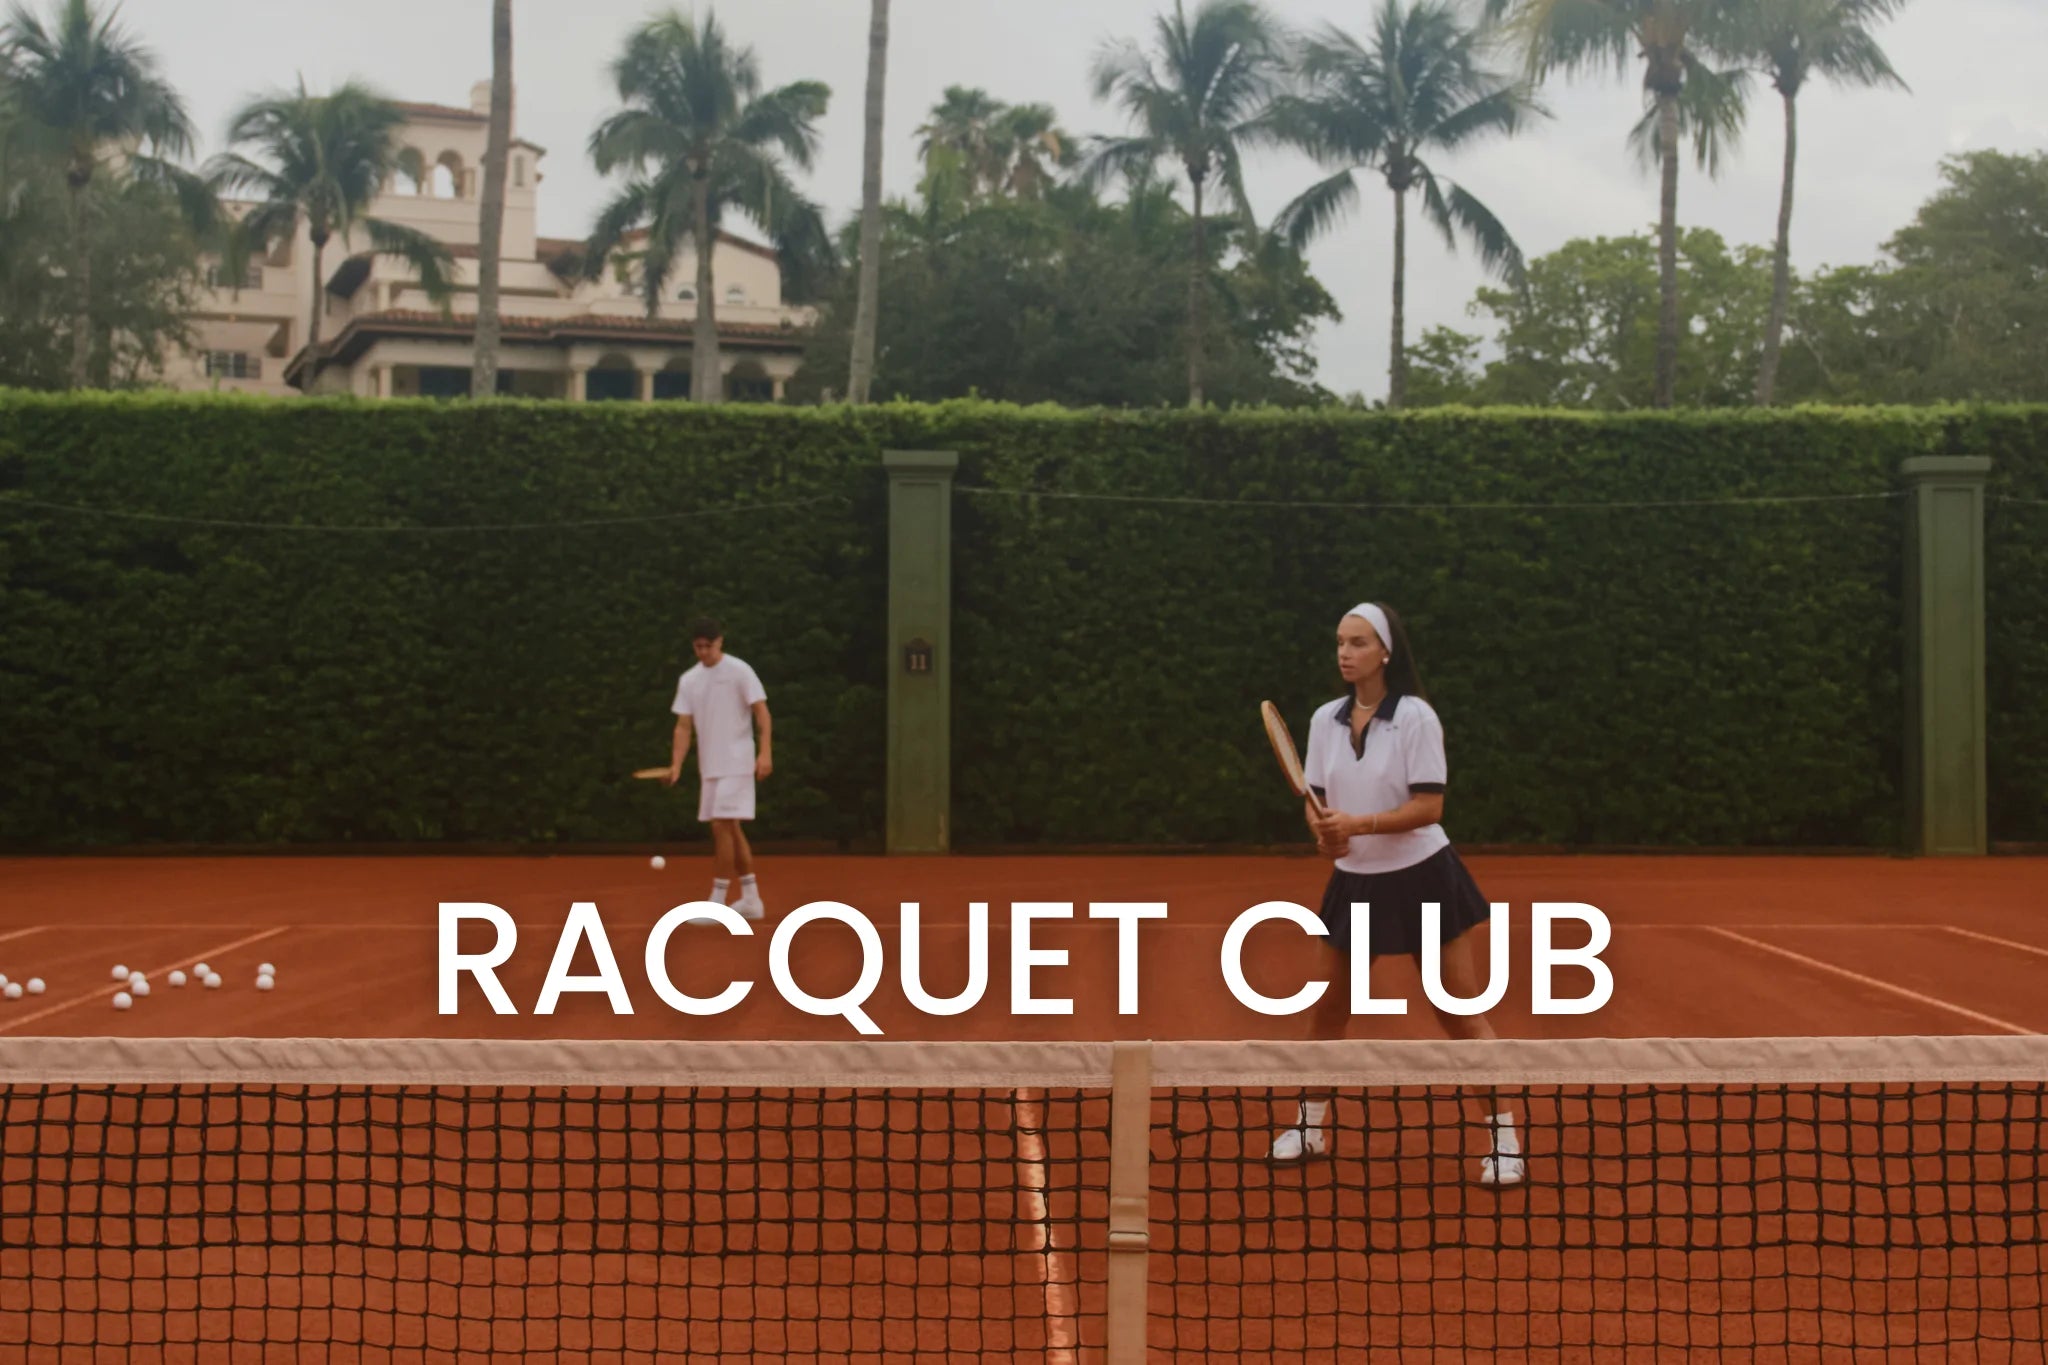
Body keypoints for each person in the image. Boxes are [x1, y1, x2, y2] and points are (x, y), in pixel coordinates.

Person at [1270, 601, 1524, 1186]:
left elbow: (1429, 806)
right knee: (1328, 1009)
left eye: (1358, 642)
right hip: (1355, 881)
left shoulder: (1415, 717)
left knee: (1457, 1011)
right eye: (1340, 641)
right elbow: (1320, 806)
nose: (1345, 652)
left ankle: (1504, 1141)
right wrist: (1326, 837)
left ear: (1386, 652)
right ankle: (1309, 1126)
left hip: (1422, 875)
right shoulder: (1323, 720)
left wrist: (1357, 826)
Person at [665, 617, 772, 919]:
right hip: (709, 766)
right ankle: (751, 900)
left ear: (720, 642)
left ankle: (718, 902)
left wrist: (765, 753)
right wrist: (676, 764)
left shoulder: (740, 671)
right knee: (731, 828)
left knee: (721, 826)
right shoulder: (689, 679)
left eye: (708, 646)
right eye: (698, 647)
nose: (703, 652)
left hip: (737, 761)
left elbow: (762, 713)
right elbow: (683, 726)